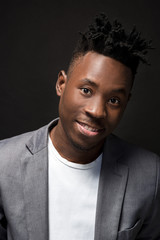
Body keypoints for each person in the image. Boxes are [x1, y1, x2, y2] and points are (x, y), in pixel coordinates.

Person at [0, 13, 160, 240]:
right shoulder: (3, 164)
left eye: (114, 100)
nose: (97, 111)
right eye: (86, 90)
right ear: (61, 84)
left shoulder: (150, 174)